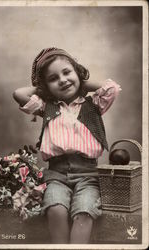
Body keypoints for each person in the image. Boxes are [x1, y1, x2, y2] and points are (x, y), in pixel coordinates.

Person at [13, 47, 121, 244]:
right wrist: (43, 90)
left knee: (85, 211)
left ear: (77, 72)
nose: (62, 80)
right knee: (55, 208)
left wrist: (83, 83)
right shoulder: (46, 107)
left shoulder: (93, 105)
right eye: (53, 78)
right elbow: (19, 94)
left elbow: (112, 88)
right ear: (47, 85)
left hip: (88, 175)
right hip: (56, 175)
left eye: (67, 72)